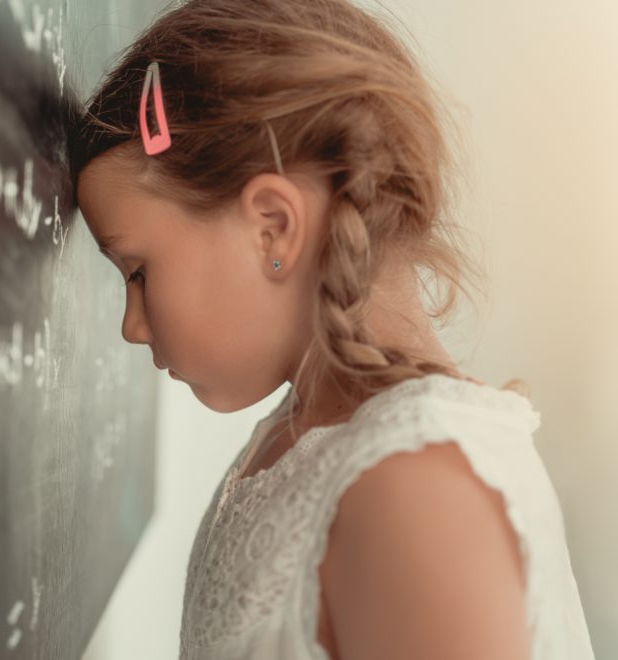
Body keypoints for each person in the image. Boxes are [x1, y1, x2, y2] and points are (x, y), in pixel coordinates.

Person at [69, 0, 595, 658]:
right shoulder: (299, 441)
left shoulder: (414, 489)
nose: (130, 326)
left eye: (137, 272)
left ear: (274, 228)